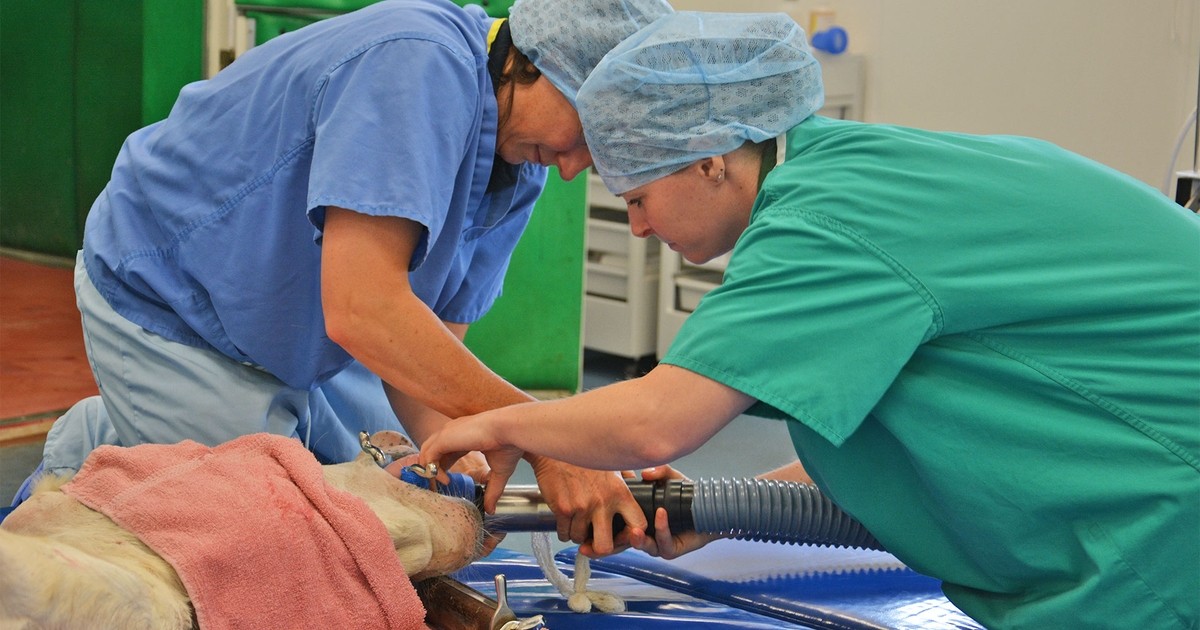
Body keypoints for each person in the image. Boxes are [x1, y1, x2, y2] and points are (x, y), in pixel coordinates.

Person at [418, 11, 1200, 628]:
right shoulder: (851, 178)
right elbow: (888, 437)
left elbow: (657, 421)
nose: (641, 228)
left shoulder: (825, 221)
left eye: (638, 198)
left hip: (1161, 508)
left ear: (707, 159)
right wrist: (716, 514)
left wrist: (501, 425)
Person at [15, 0, 676, 553]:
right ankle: (98, 452)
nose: (572, 168)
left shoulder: (520, 162)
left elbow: (426, 353)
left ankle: (147, 430)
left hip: (299, 327)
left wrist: (459, 445)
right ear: (539, 63)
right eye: (585, 131)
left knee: (391, 504)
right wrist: (543, 441)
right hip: (174, 298)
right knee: (282, 546)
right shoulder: (418, 63)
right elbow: (365, 310)